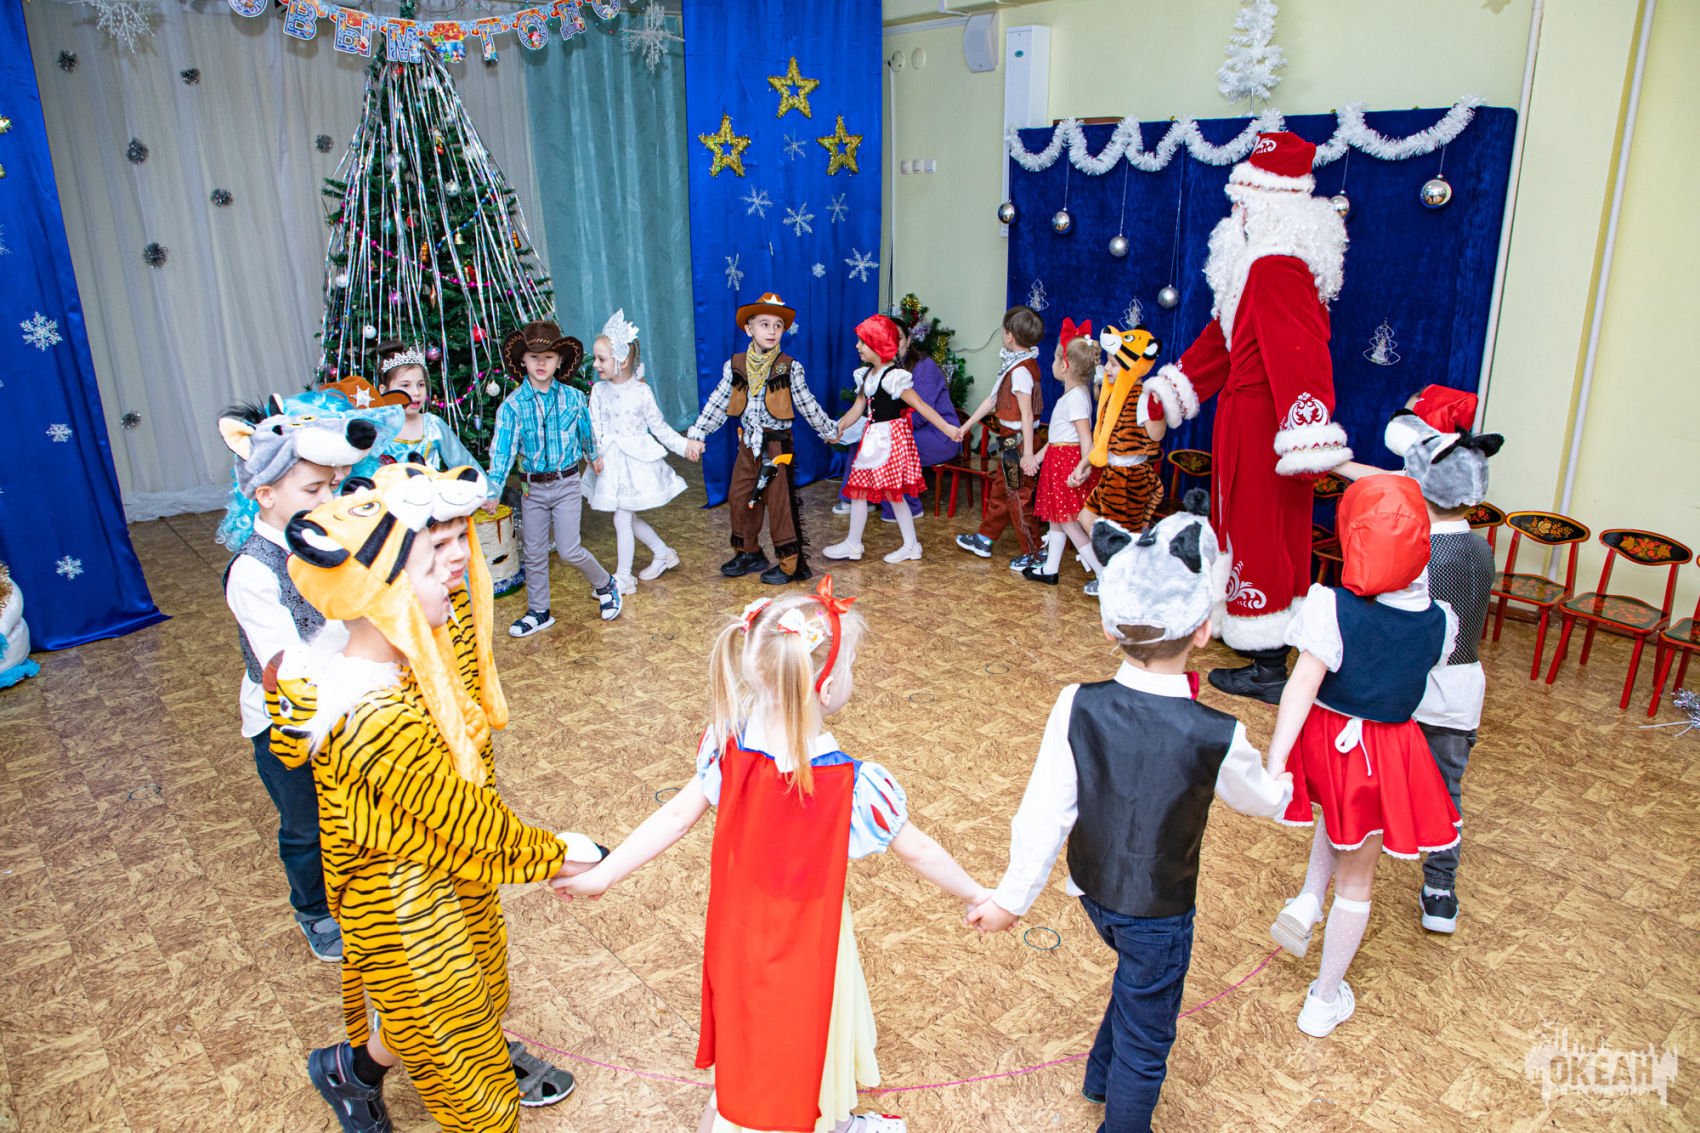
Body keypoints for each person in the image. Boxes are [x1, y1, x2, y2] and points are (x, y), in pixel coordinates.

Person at [554, 578, 988, 1133]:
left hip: (738, 927)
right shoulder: (850, 784)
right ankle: (823, 1120)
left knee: (751, 1025)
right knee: (809, 1030)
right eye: (850, 666)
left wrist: (604, 875)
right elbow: (920, 850)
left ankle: (749, 1106)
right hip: (811, 933)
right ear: (824, 688)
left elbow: (675, 817)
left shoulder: (726, 746)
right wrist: (978, 894)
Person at [277, 468, 603, 1133]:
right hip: (404, 905)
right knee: (466, 1075)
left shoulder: (399, 666)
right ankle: (367, 1073)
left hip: (439, 873)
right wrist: (556, 854)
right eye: (431, 565)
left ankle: (350, 1071)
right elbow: (460, 816)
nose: (452, 573)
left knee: (464, 1001)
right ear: (390, 594)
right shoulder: (375, 716)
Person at [968, 495, 1291, 1132]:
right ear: (1204, 630)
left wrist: (1012, 898)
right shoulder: (1219, 732)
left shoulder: (1076, 702)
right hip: (1160, 912)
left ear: (1112, 628)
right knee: (1150, 1032)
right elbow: (1260, 800)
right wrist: (1281, 782)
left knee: (1136, 984)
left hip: (1093, 889)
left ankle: (1098, 1076)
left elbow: (1045, 809)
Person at [1137, 131, 1352, 703]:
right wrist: (1169, 392)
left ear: (1269, 203)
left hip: (1266, 427)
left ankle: (1269, 662)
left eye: (1244, 202)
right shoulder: (1254, 266)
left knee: (1262, 531)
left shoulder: (1277, 268)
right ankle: (1258, 637)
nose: (1236, 213)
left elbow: (1300, 354)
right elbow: (1222, 344)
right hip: (1248, 420)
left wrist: (1304, 433)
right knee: (1245, 527)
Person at [1264, 474, 1462, 1038]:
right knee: (1357, 877)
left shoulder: (1331, 606)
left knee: (1336, 819)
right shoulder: (1441, 621)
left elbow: (1301, 687)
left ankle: (1308, 900)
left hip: (1326, 739)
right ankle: (1323, 1000)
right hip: (1384, 751)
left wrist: (1277, 761)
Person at [217, 396, 382, 962]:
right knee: (305, 824)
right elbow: (290, 666)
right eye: (312, 490)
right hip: (284, 720)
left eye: (331, 487)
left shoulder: (328, 542)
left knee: (350, 809)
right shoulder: (252, 571)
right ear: (265, 494)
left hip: (347, 702)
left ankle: (360, 890)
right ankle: (314, 910)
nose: (327, 500)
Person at [1338, 389, 1503, 934]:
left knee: (1375, 776)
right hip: (1463, 693)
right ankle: (1439, 892)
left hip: (1413, 688)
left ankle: (1350, 863)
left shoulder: (1422, 550)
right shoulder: (1481, 548)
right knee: (1447, 792)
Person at [685, 292, 841, 586]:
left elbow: (806, 403)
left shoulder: (788, 367)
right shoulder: (736, 365)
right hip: (748, 445)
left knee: (780, 503)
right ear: (749, 329)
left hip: (776, 446)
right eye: (764, 324)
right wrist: (698, 432)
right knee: (740, 496)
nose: (772, 331)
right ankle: (749, 552)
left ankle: (790, 562)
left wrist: (828, 430)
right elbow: (719, 401)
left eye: (778, 326)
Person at [485, 319, 623, 633]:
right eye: (534, 357)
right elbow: (503, 450)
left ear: (559, 360)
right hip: (532, 489)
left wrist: (593, 456)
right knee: (534, 553)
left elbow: (585, 433)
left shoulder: (573, 398)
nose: (541, 363)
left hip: (566, 484)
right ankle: (539, 611)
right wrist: (494, 489)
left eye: (548, 357)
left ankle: (606, 584)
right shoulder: (513, 406)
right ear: (523, 360)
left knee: (568, 548)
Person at [824, 315, 963, 565]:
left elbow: (920, 405)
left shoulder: (893, 377)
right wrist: (838, 428)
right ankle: (853, 543)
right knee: (859, 491)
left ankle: (911, 545)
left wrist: (947, 428)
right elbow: (857, 408)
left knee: (894, 495)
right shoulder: (867, 375)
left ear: (877, 345)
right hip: (873, 442)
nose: (857, 346)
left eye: (863, 342)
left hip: (890, 441)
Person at [583, 309, 698, 595]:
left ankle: (623, 578)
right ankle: (663, 553)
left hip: (635, 465)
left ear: (621, 360)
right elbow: (594, 427)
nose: (596, 364)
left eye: (601, 359)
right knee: (627, 518)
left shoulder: (641, 392)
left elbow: (660, 428)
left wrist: (685, 445)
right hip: (610, 464)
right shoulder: (598, 391)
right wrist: (592, 455)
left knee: (622, 518)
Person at [954, 305, 1047, 572]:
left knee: (1018, 497)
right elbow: (993, 399)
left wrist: (1027, 454)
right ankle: (984, 538)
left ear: (1009, 336)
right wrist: (967, 426)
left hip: (1018, 443)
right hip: (1010, 442)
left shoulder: (1020, 371)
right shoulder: (1014, 364)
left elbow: (1026, 414)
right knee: (1001, 491)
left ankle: (1034, 553)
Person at [1078, 326, 1167, 596]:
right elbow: (1103, 439)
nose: (1107, 368)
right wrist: (1085, 465)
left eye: (1113, 364)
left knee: (1117, 534)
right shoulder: (1115, 394)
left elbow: (1156, 435)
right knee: (1086, 517)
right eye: (1107, 362)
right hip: (1112, 473)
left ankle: (1121, 582)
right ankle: (1122, 569)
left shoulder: (1141, 398)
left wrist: (1157, 412)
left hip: (1129, 477)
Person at [1023, 320, 1103, 587]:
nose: (1053, 362)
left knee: (1069, 523)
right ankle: (1050, 569)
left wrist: (1083, 467)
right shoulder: (1072, 395)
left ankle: (1104, 576)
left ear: (1064, 365)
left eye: (1056, 358)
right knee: (1058, 520)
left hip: (1068, 466)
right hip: (1058, 463)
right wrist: (1037, 458)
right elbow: (1058, 438)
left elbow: (1085, 437)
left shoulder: (1077, 397)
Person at [371, 340, 481, 471]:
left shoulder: (433, 426)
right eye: (405, 385)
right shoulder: (374, 426)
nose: (416, 392)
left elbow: (467, 466)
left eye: (421, 385)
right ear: (384, 390)